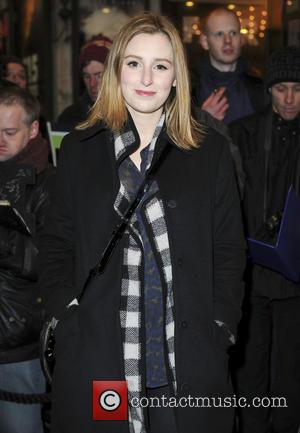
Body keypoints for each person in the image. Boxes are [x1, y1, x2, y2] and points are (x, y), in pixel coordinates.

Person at [39, 12, 246, 433]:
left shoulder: (209, 153)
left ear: (176, 77)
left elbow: (228, 248)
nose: (146, 77)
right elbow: (56, 242)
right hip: (100, 355)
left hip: (185, 360)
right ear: (117, 71)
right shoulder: (81, 149)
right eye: (134, 63)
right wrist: (68, 313)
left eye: (161, 65)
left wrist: (221, 324)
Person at [229, 46, 300, 433]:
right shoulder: (244, 132)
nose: (289, 98)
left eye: (297, 88)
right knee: (252, 367)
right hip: (253, 270)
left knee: (290, 370)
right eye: (281, 88)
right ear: (269, 90)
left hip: (295, 274)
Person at [0, 86, 52, 432]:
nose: (0, 140)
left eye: (9, 132)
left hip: (18, 342)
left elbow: (51, 261)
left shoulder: (49, 184)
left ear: (33, 130)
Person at [192, 7, 265, 124]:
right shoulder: (188, 89)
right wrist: (202, 122)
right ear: (205, 42)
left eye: (233, 33)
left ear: (241, 39)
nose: (228, 41)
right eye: (220, 34)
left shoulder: (260, 88)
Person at [55, 34, 112, 131]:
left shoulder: (134, 114)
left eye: (99, 76)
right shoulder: (70, 118)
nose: (92, 84)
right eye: (87, 76)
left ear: (115, 75)